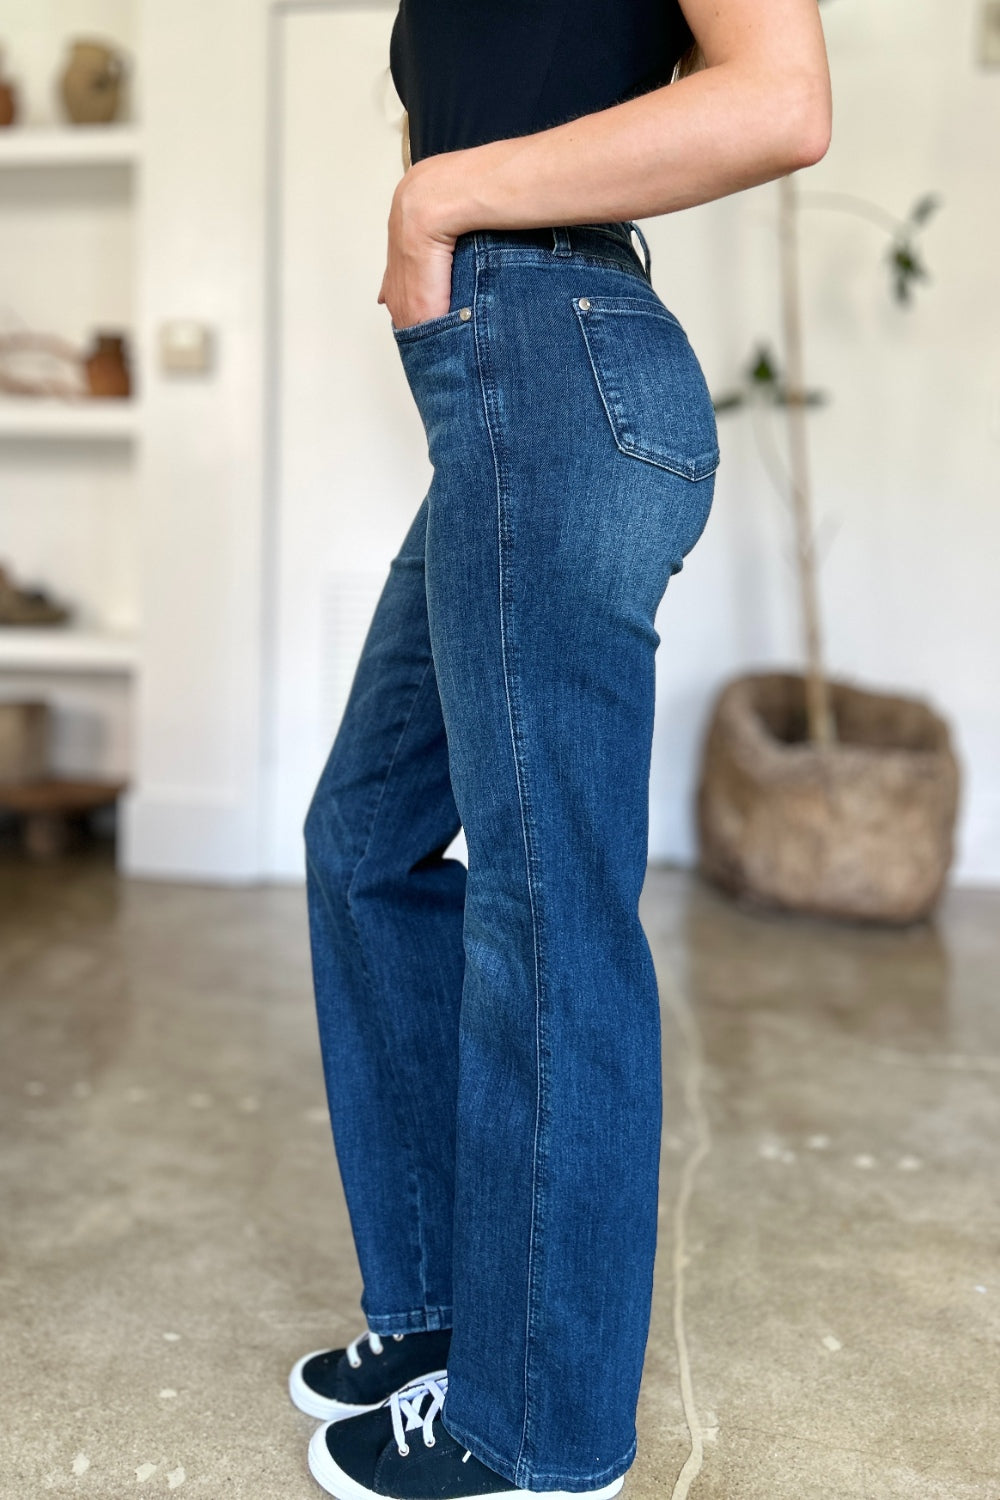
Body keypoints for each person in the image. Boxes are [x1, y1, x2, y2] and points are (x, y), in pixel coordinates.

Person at [291, 2, 832, 1498]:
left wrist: (435, 196)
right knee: (364, 839)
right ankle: (452, 1317)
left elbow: (783, 100)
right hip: (507, 395)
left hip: (558, 368)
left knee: (550, 908)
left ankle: (542, 1427)